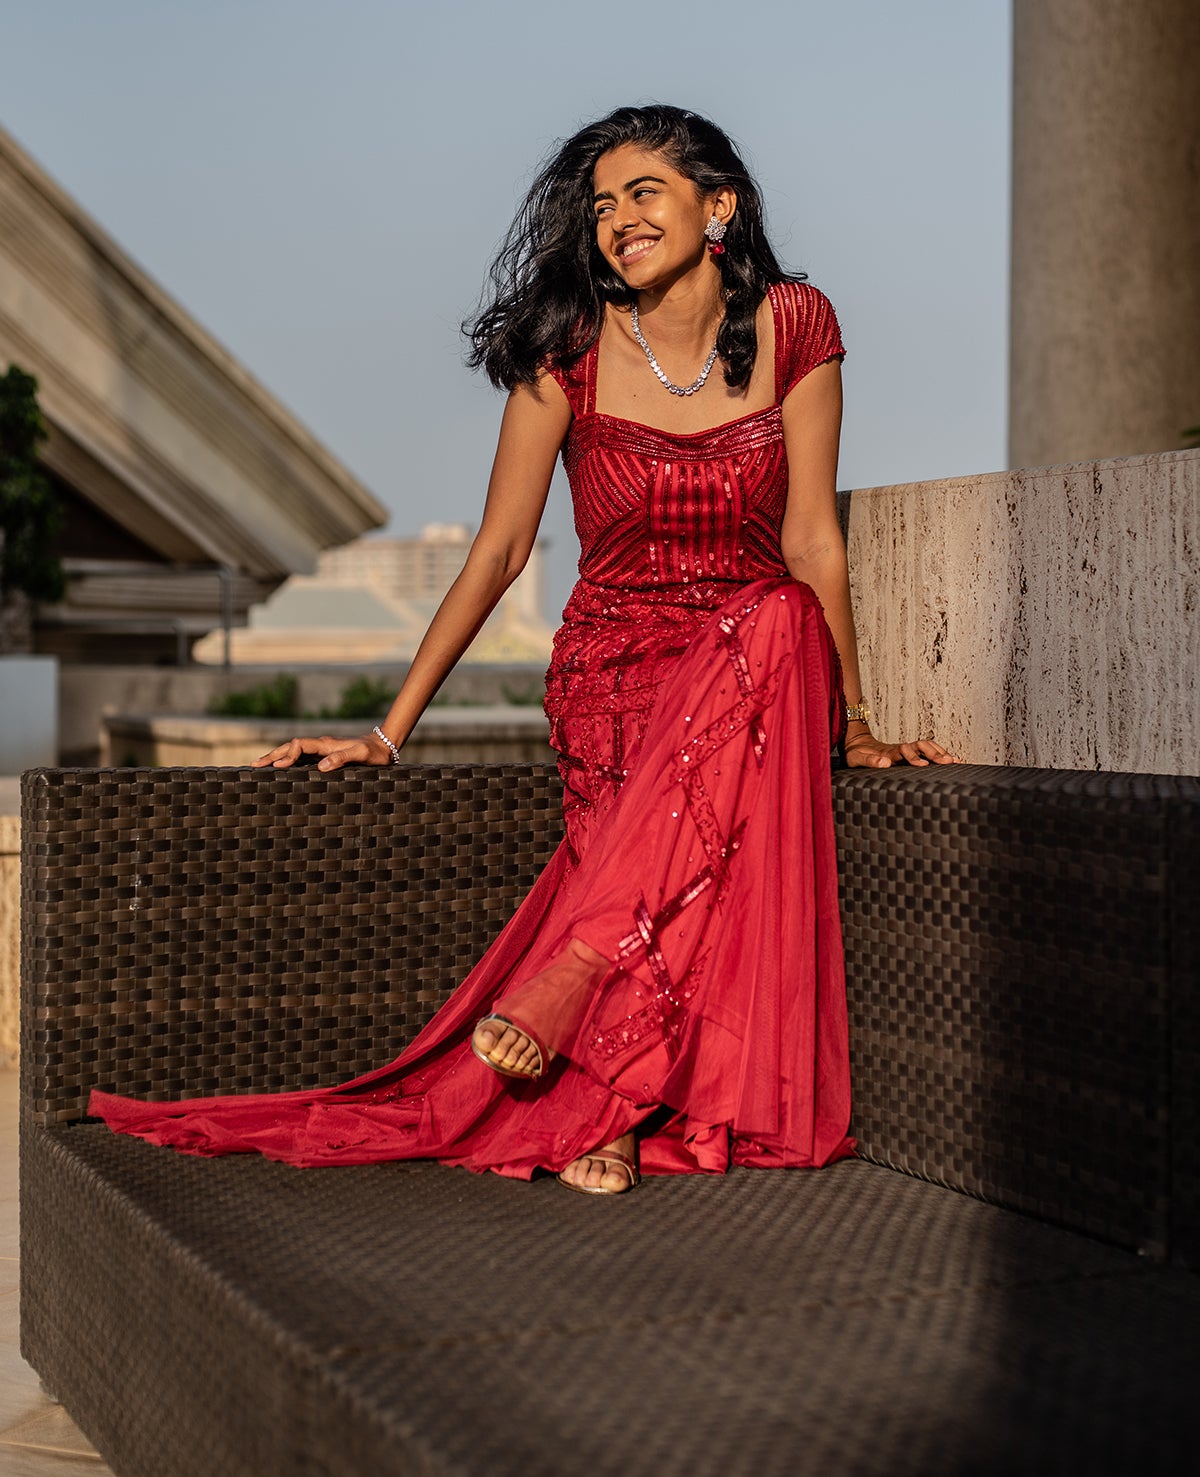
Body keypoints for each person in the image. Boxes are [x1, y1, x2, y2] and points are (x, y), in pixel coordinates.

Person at [91, 104, 953, 1194]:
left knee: (774, 611)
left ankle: (585, 1012)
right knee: (692, 815)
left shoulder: (799, 324)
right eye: (601, 206)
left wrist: (858, 723)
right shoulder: (569, 353)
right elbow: (499, 552)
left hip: (753, 674)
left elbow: (813, 539)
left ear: (717, 205)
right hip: (616, 674)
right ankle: (609, 1085)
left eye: (644, 193)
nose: (618, 221)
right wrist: (385, 731)